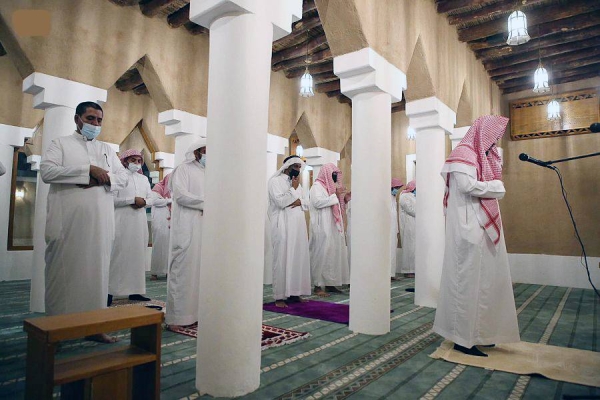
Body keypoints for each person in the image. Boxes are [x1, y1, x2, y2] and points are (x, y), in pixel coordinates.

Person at [40, 101, 128, 343]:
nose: (95, 124)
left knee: (98, 276)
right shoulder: (61, 144)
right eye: (90, 119)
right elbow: (47, 172)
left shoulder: (107, 149)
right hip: (68, 224)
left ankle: (94, 327)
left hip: (100, 225)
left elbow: (123, 178)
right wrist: (86, 169)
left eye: (99, 120)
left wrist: (102, 178)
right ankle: (56, 331)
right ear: (77, 119)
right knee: (62, 275)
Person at [433, 115, 520, 357]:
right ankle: (462, 338)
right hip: (467, 227)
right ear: (483, 132)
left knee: (485, 282)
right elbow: (467, 186)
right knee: (467, 282)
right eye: (494, 135)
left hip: (480, 226)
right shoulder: (464, 154)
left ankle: (480, 333)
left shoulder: (483, 155)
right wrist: (496, 187)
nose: (496, 140)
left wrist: (493, 186)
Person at [166, 139, 206, 330]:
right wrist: (208, 202)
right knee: (182, 271)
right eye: (206, 150)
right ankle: (176, 318)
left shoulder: (210, 172)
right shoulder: (183, 169)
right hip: (187, 226)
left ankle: (194, 314)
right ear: (197, 151)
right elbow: (180, 195)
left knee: (200, 273)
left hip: (205, 227)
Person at [108, 149, 154, 305]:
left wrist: (145, 202)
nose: (136, 163)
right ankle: (110, 292)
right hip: (121, 220)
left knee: (138, 255)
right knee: (117, 255)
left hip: (139, 221)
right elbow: (111, 199)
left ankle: (136, 291)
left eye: (139, 161)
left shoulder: (144, 179)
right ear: (124, 161)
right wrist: (131, 200)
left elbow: (151, 198)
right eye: (133, 160)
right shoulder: (118, 178)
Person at [267, 155, 311, 308]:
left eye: (300, 167)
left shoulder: (298, 184)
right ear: (288, 166)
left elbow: (306, 202)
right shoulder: (275, 181)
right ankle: (279, 296)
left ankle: (295, 292)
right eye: (295, 167)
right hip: (283, 225)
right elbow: (280, 202)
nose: (298, 170)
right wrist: (292, 191)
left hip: (298, 225)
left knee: (297, 257)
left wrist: (297, 200)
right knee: (283, 258)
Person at [309, 163, 350, 296]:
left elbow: (336, 203)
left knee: (333, 254)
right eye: (333, 174)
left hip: (332, 226)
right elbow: (317, 202)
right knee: (321, 254)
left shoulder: (329, 188)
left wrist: (340, 196)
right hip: (322, 227)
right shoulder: (317, 187)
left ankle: (331, 284)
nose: (334, 177)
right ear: (326, 174)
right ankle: (318, 285)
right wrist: (335, 196)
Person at [149, 173, 172, 280]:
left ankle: (168, 271)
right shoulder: (157, 188)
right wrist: (169, 200)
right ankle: (155, 272)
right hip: (159, 223)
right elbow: (155, 201)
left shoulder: (172, 192)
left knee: (169, 247)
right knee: (158, 246)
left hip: (169, 222)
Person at [399, 180, 416, 278]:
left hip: (415, 224)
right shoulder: (404, 196)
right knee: (409, 248)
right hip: (409, 225)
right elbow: (410, 209)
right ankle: (408, 270)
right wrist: (422, 212)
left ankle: (414, 269)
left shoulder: (413, 196)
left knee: (414, 248)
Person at [390, 178, 404, 281]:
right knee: (387, 252)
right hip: (387, 230)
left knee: (393, 252)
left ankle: (391, 273)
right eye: (396, 188)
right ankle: (387, 274)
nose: (397, 190)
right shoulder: (387, 197)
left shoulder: (393, 198)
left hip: (393, 229)